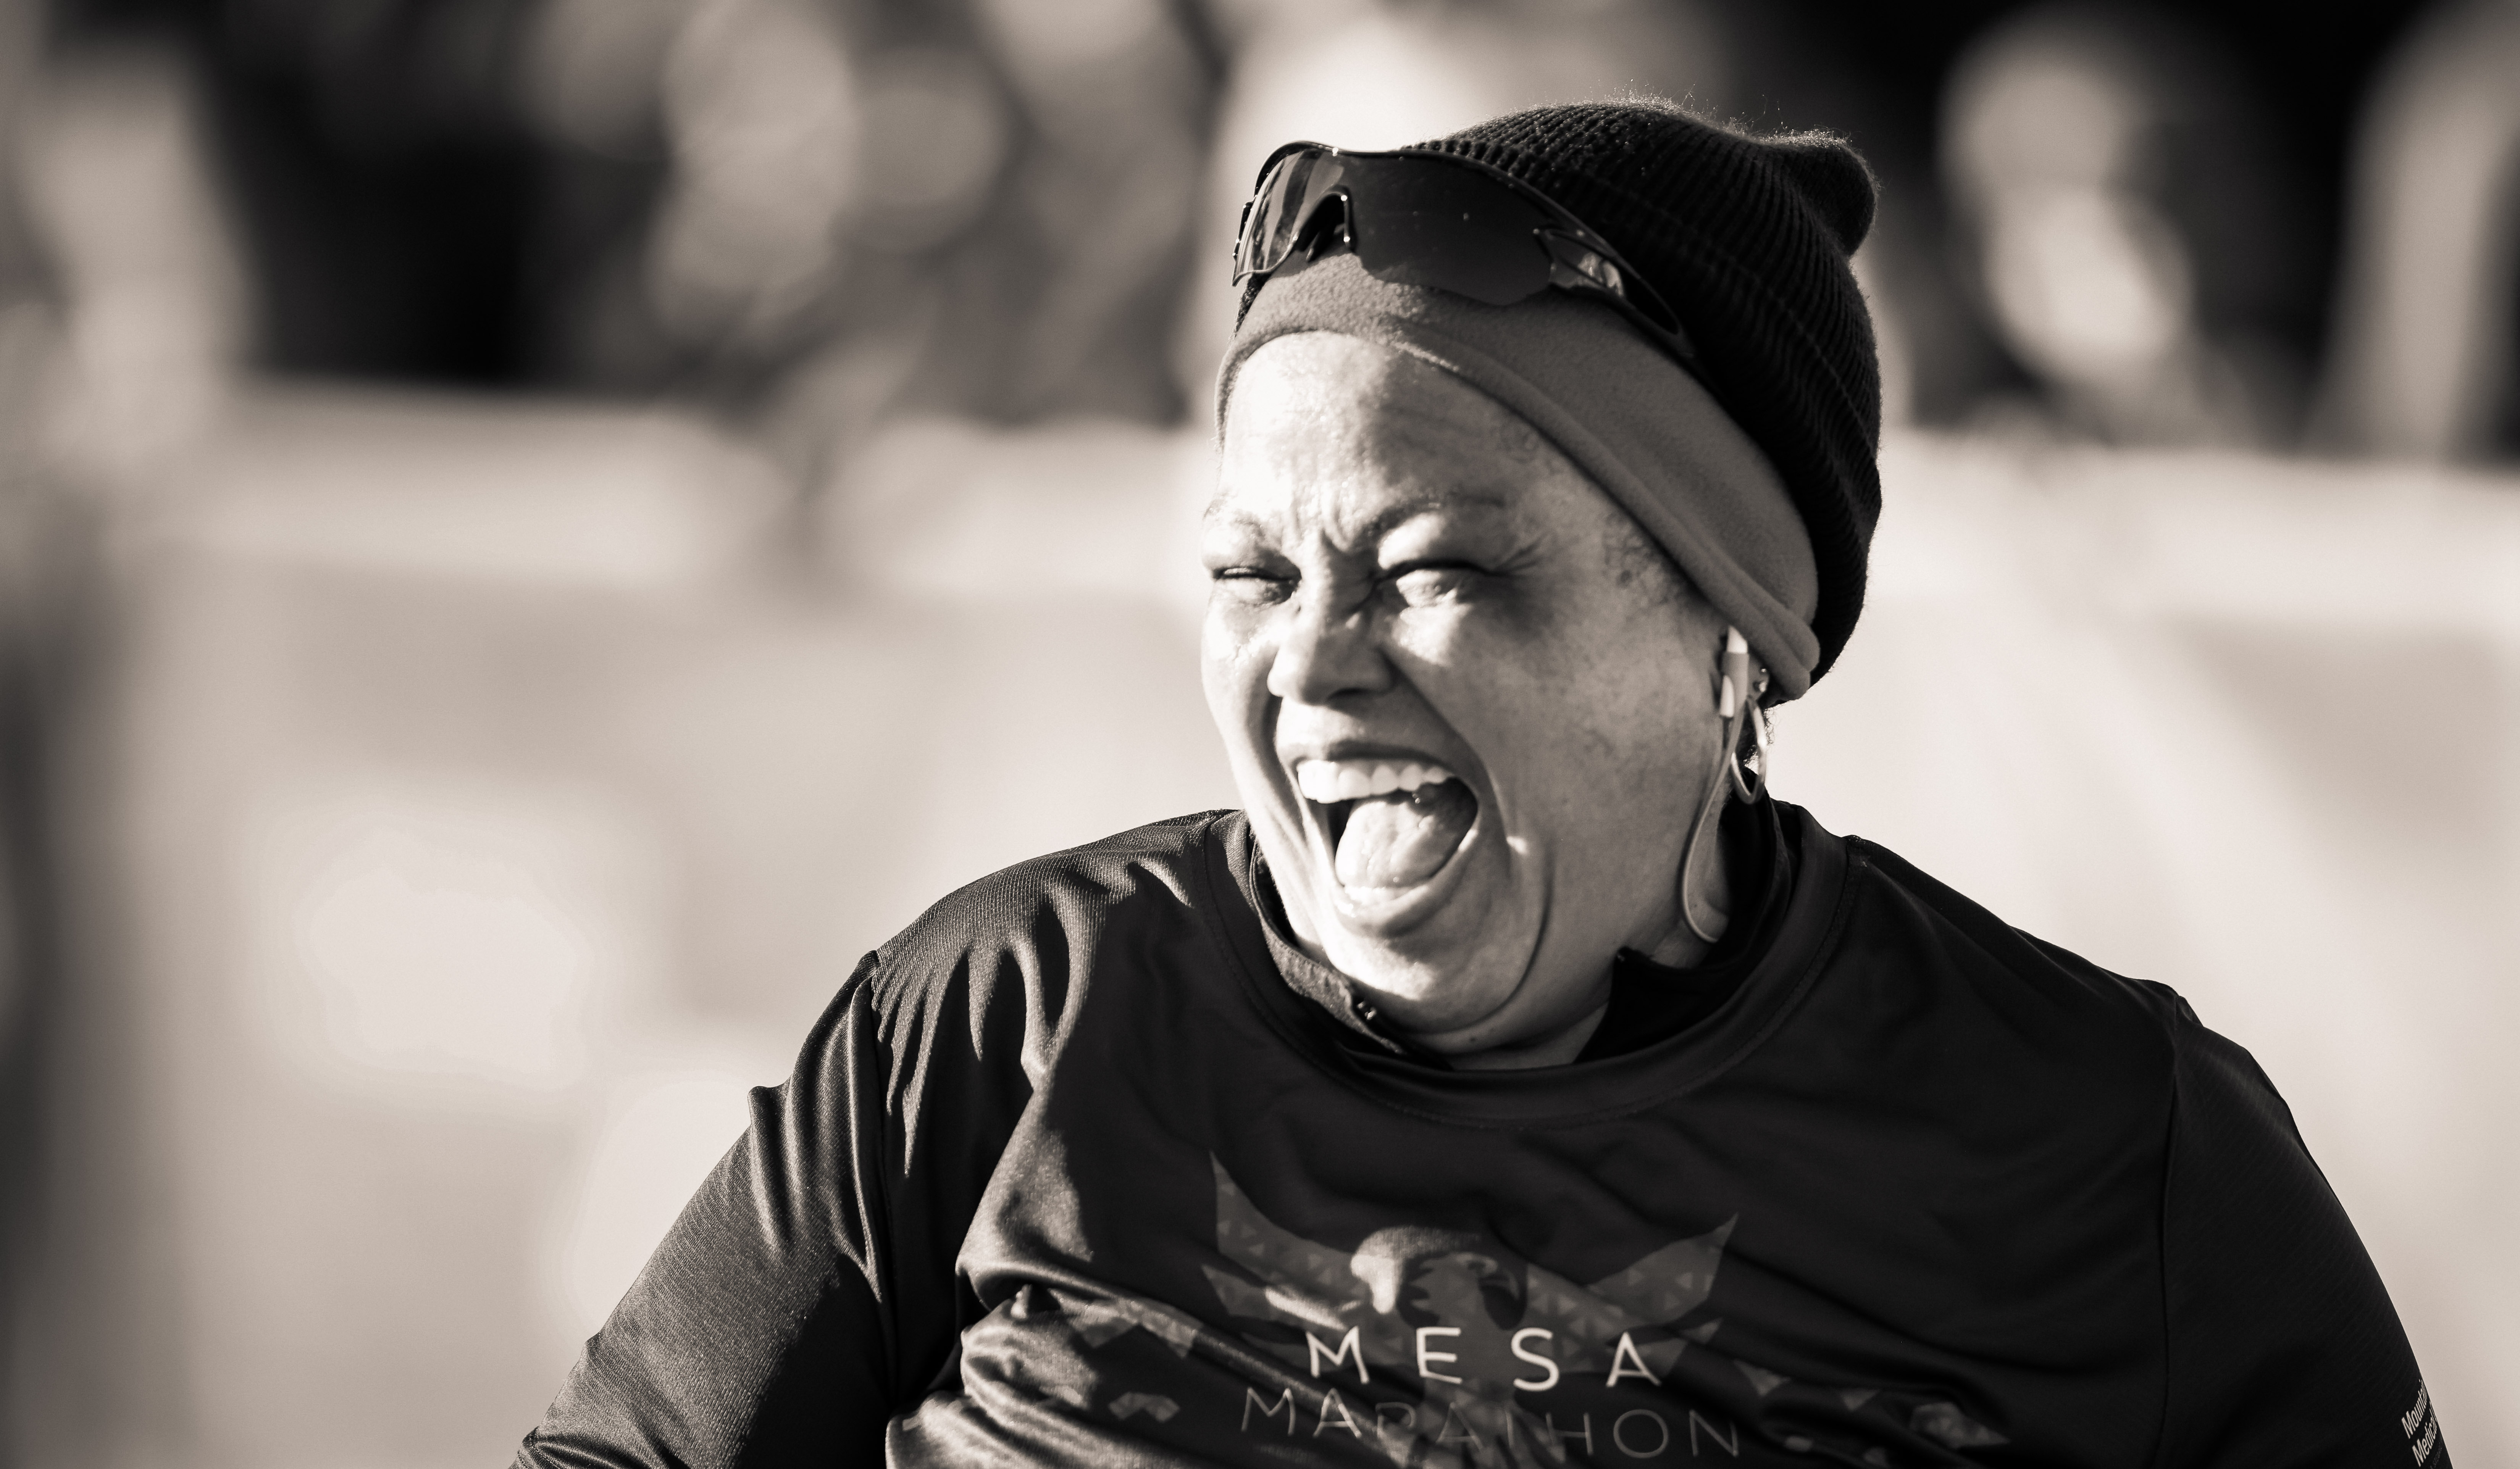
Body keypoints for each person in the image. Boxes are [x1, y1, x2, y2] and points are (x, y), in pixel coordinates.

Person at [513, 102, 2449, 1468]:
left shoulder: (2103, 1139)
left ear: (1731, 633)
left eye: (1433, 568)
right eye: (1251, 574)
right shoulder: (1014, 1011)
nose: (1310, 663)